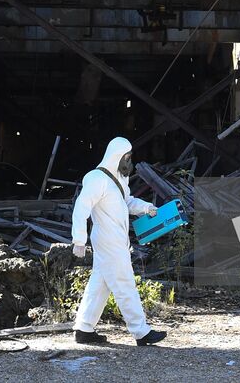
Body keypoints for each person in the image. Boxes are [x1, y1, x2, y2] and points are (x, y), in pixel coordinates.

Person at [70, 136, 167, 346]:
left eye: (130, 156)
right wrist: (79, 239)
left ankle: (84, 329)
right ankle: (141, 332)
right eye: (127, 157)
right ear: (117, 157)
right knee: (125, 283)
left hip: (117, 240)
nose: (129, 161)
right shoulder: (97, 179)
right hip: (108, 240)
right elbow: (81, 207)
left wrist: (146, 208)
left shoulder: (118, 179)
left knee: (100, 284)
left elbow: (127, 202)